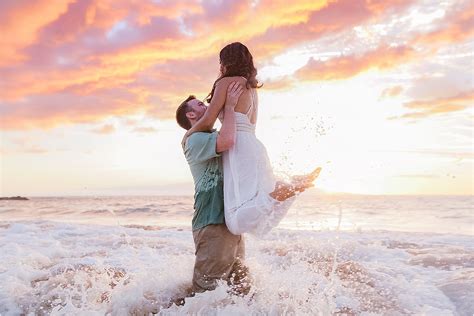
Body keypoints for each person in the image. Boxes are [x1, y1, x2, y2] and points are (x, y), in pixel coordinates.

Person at [183, 42, 320, 236]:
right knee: (259, 218)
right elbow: (251, 124)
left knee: (236, 221)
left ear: (226, 62)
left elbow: (208, 119)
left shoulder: (225, 83)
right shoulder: (251, 87)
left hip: (237, 147)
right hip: (254, 145)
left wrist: (189, 133)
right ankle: (288, 189)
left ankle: (282, 192)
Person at [175, 82, 250, 301]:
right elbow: (227, 141)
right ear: (191, 114)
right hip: (212, 222)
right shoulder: (193, 139)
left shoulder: (209, 134)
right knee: (206, 294)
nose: (206, 103)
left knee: (239, 290)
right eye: (199, 104)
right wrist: (228, 106)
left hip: (229, 221)